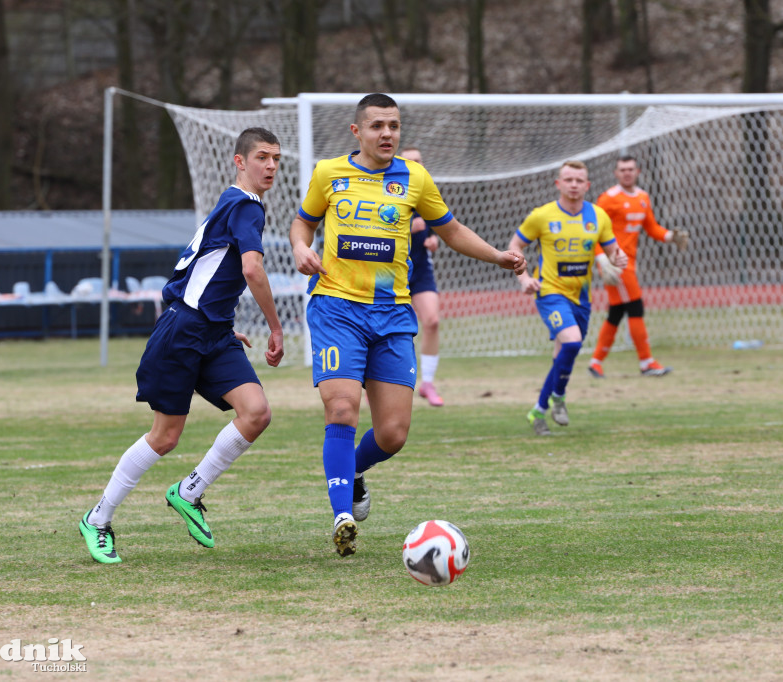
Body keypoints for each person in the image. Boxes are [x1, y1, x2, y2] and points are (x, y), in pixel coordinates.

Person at [289, 93, 526, 557]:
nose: (387, 134)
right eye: (377, 126)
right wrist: (301, 247)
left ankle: (354, 472)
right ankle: (341, 515)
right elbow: (302, 224)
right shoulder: (328, 173)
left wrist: (498, 255)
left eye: (394, 126)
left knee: (393, 433)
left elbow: (450, 230)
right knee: (341, 408)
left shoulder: (414, 177)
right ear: (357, 132)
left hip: (394, 314)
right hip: (336, 307)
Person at [79, 128, 285, 564]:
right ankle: (98, 519)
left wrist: (223, 325)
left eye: (276, 159)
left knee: (257, 413)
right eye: (262, 157)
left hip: (211, 332)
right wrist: (276, 327)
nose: (270, 166)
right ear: (239, 161)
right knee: (166, 436)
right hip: (183, 332)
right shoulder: (245, 206)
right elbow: (252, 270)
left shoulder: (236, 205)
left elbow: (206, 275)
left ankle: (188, 491)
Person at [507, 160, 627, 436]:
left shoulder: (598, 216)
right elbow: (515, 245)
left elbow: (612, 251)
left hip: (581, 298)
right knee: (572, 342)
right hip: (549, 293)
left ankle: (539, 410)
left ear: (587, 185)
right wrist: (524, 278)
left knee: (565, 353)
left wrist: (617, 259)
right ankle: (559, 396)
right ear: (558, 184)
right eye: (568, 179)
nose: (574, 185)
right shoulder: (542, 216)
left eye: (579, 180)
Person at [588, 155, 689, 378]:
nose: (627, 173)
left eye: (630, 169)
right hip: (616, 264)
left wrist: (671, 236)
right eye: (622, 169)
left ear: (638, 171)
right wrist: (601, 259)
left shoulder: (643, 197)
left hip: (629, 263)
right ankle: (646, 362)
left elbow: (651, 227)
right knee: (635, 308)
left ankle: (596, 362)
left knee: (617, 312)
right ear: (616, 173)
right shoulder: (608, 198)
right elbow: (591, 230)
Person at [399, 146, 445, 407]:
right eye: (410, 161)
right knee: (394, 331)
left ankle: (427, 382)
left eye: (419, 160)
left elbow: (438, 226)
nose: (417, 164)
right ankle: (378, 385)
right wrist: (406, 227)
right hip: (392, 272)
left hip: (421, 270)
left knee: (432, 320)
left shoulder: (427, 192)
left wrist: (432, 239)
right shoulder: (389, 191)